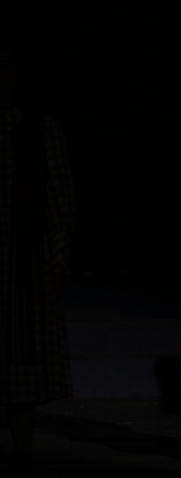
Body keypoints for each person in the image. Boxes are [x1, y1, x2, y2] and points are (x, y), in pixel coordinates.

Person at [1, 45, 76, 477]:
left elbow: (60, 203)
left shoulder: (37, 129)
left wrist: (57, 264)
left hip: (22, 265)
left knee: (20, 364)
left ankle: (22, 453)